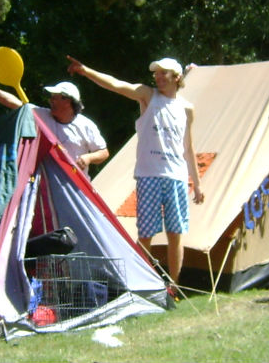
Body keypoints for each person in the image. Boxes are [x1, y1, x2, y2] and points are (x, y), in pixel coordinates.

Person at [66, 55, 205, 285]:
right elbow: (117, 85)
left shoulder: (187, 109)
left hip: (177, 177)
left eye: (163, 73)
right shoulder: (148, 96)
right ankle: (145, 284)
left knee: (175, 234)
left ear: (177, 77)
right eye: (156, 73)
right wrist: (86, 70)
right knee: (146, 234)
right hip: (149, 175)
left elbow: (188, 149)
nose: (158, 77)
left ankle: (174, 287)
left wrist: (198, 185)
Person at [0, 75, 109, 176]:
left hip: (77, 190)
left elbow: (103, 152)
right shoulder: (42, 116)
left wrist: (88, 158)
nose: (50, 101)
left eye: (55, 98)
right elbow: (14, 104)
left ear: (67, 101)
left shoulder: (86, 125)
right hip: (47, 189)